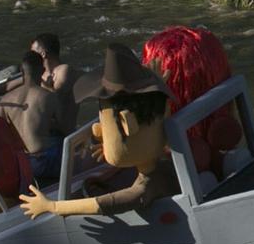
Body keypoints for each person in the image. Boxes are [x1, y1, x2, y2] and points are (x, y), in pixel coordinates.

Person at [20, 45, 178, 219]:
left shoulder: (145, 187)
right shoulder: (170, 161)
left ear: (127, 124)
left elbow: (104, 203)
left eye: (103, 120)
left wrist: (52, 206)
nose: (97, 130)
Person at [0, 50, 69, 184]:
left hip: (19, 163)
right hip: (43, 164)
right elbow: (65, 127)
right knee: (61, 139)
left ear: (21, 70)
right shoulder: (49, 97)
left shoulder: (5, 99)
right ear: (43, 70)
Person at [31, 31, 80, 132]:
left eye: (33, 52)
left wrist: (39, 82)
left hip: (63, 134)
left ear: (43, 54)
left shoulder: (64, 70)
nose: (30, 56)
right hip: (44, 133)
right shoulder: (42, 74)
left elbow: (57, 98)